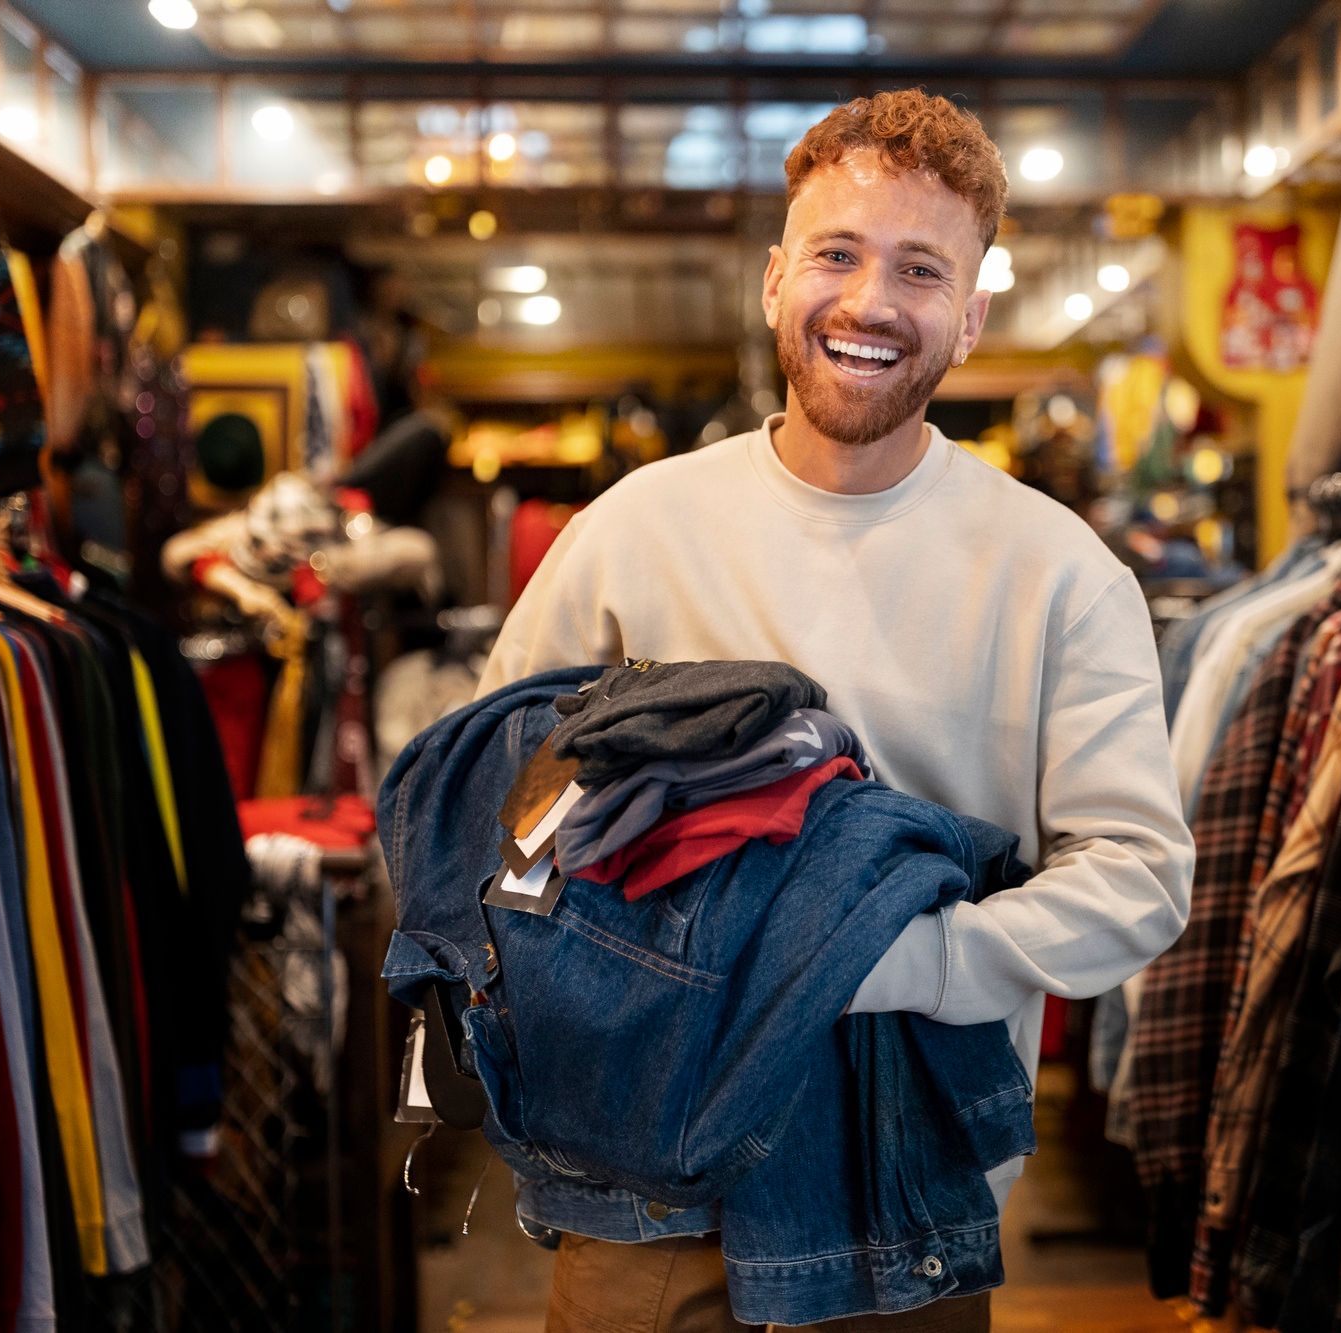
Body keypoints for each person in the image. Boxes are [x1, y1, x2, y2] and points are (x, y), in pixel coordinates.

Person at [476, 89, 1195, 1333]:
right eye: (836, 254)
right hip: (649, 1191)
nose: (869, 302)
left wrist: (885, 965)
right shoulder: (633, 530)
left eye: (920, 269)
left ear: (968, 319)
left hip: (906, 1205)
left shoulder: (1059, 574)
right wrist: (622, 965)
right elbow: (504, 805)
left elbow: (1136, 876)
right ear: (774, 282)